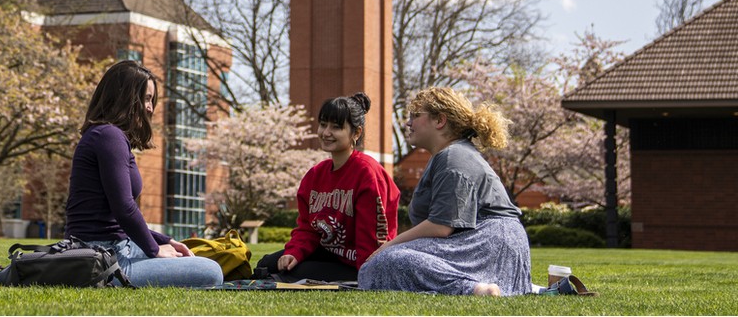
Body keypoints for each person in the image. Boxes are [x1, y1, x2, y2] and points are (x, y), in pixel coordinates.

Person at [63, 60, 223, 287]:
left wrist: (165, 240)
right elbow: (124, 208)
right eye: (146, 99)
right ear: (126, 97)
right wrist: (155, 249)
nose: (150, 108)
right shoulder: (108, 136)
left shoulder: (108, 135)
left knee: (193, 255)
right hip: (101, 257)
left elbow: (118, 219)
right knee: (211, 271)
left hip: (115, 245)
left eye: (151, 100)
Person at [358, 87, 530, 296]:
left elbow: (441, 227)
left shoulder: (453, 156)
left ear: (440, 120)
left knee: (387, 260)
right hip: (490, 243)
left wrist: (388, 246)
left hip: (489, 242)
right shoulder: (448, 155)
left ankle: (473, 289)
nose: (408, 123)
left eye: (415, 116)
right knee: (380, 264)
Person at [254, 93, 400, 283]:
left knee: (291, 274)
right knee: (267, 264)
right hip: (329, 252)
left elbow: (372, 239)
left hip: (360, 263)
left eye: (336, 127)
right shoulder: (315, 175)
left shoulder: (367, 173)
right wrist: (295, 252)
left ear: (356, 133)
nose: (326, 132)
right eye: (323, 124)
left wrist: (368, 275)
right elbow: (308, 229)